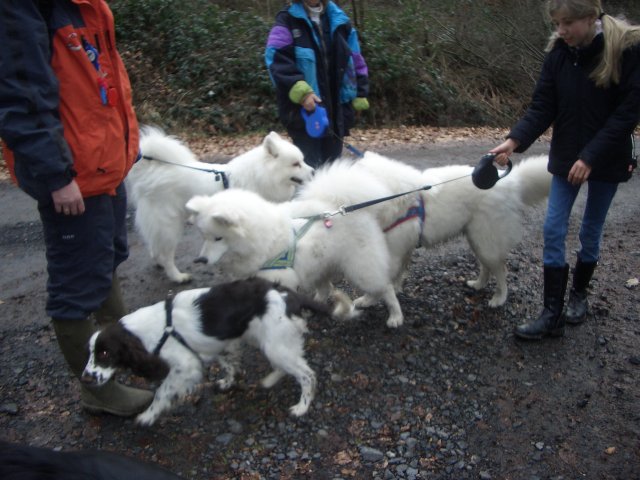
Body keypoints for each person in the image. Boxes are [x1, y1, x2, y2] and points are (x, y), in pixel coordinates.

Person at [0, 1, 153, 415]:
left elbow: (103, 87)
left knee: (107, 259)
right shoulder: (25, 9)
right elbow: (23, 97)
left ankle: (123, 351)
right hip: (73, 176)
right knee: (75, 288)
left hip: (104, 165)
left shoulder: (86, 6)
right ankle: (97, 389)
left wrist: (126, 148)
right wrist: (55, 175)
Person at [490, 0, 640, 340]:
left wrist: (590, 157)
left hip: (606, 157)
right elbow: (543, 106)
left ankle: (579, 295)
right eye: (557, 23)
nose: (560, 31)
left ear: (590, 18)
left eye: (566, 23)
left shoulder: (625, 50)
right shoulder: (558, 54)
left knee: (590, 230)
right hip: (566, 156)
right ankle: (551, 314)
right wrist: (513, 141)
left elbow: (627, 114)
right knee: (553, 228)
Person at [265, 0, 370, 168]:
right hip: (304, 114)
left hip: (337, 112)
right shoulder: (286, 20)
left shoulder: (341, 21)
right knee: (309, 171)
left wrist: (360, 93)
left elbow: (356, 60)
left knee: (331, 170)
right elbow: (276, 61)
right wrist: (302, 92)